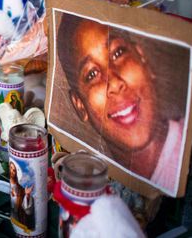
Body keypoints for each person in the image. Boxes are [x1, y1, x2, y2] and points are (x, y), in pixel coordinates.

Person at [56, 13, 183, 192]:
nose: (114, 83)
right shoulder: (94, 185)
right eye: (92, 74)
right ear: (80, 105)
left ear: (142, 58)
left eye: (118, 53)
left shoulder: (190, 159)